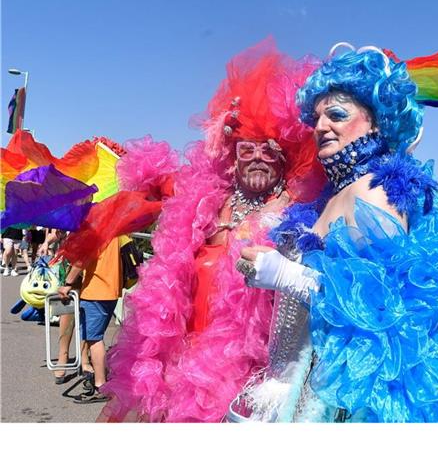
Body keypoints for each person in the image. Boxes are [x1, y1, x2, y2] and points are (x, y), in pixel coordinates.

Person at [234, 45, 438, 422]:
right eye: (317, 117)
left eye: (337, 115)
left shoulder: (378, 192)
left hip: (344, 400)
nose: (321, 126)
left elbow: (384, 311)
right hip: (309, 380)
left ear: (376, 122)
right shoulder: (338, 191)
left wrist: (284, 275)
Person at [96, 41, 326, 422]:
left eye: (269, 150)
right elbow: (148, 186)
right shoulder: (203, 200)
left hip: (240, 368)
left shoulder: (291, 213)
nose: (256, 157)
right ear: (231, 157)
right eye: (246, 149)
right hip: (175, 355)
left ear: (285, 160)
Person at [57, 236, 123, 403]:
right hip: (111, 290)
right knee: (95, 336)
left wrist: (68, 282)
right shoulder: (114, 232)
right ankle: (100, 380)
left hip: (95, 291)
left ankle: (100, 385)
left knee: (94, 339)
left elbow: (81, 261)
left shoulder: (97, 233)